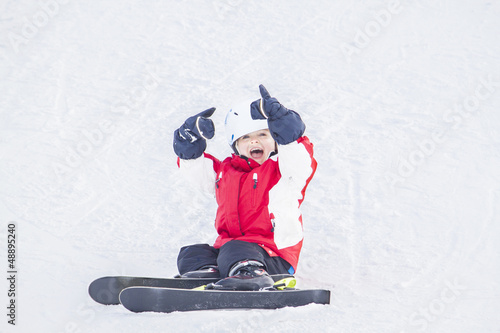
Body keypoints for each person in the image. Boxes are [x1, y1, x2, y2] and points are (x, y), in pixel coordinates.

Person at [172, 85, 317, 290]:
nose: (254, 141)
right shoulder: (224, 172)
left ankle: (251, 274)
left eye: (263, 135)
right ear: (236, 145)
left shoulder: (284, 172)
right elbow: (198, 172)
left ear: (276, 141)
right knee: (192, 252)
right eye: (245, 137)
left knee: (235, 248)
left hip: (273, 257)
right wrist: (189, 149)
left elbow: (299, 160)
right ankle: (207, 274)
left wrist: (288, 131)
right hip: (230, 253)